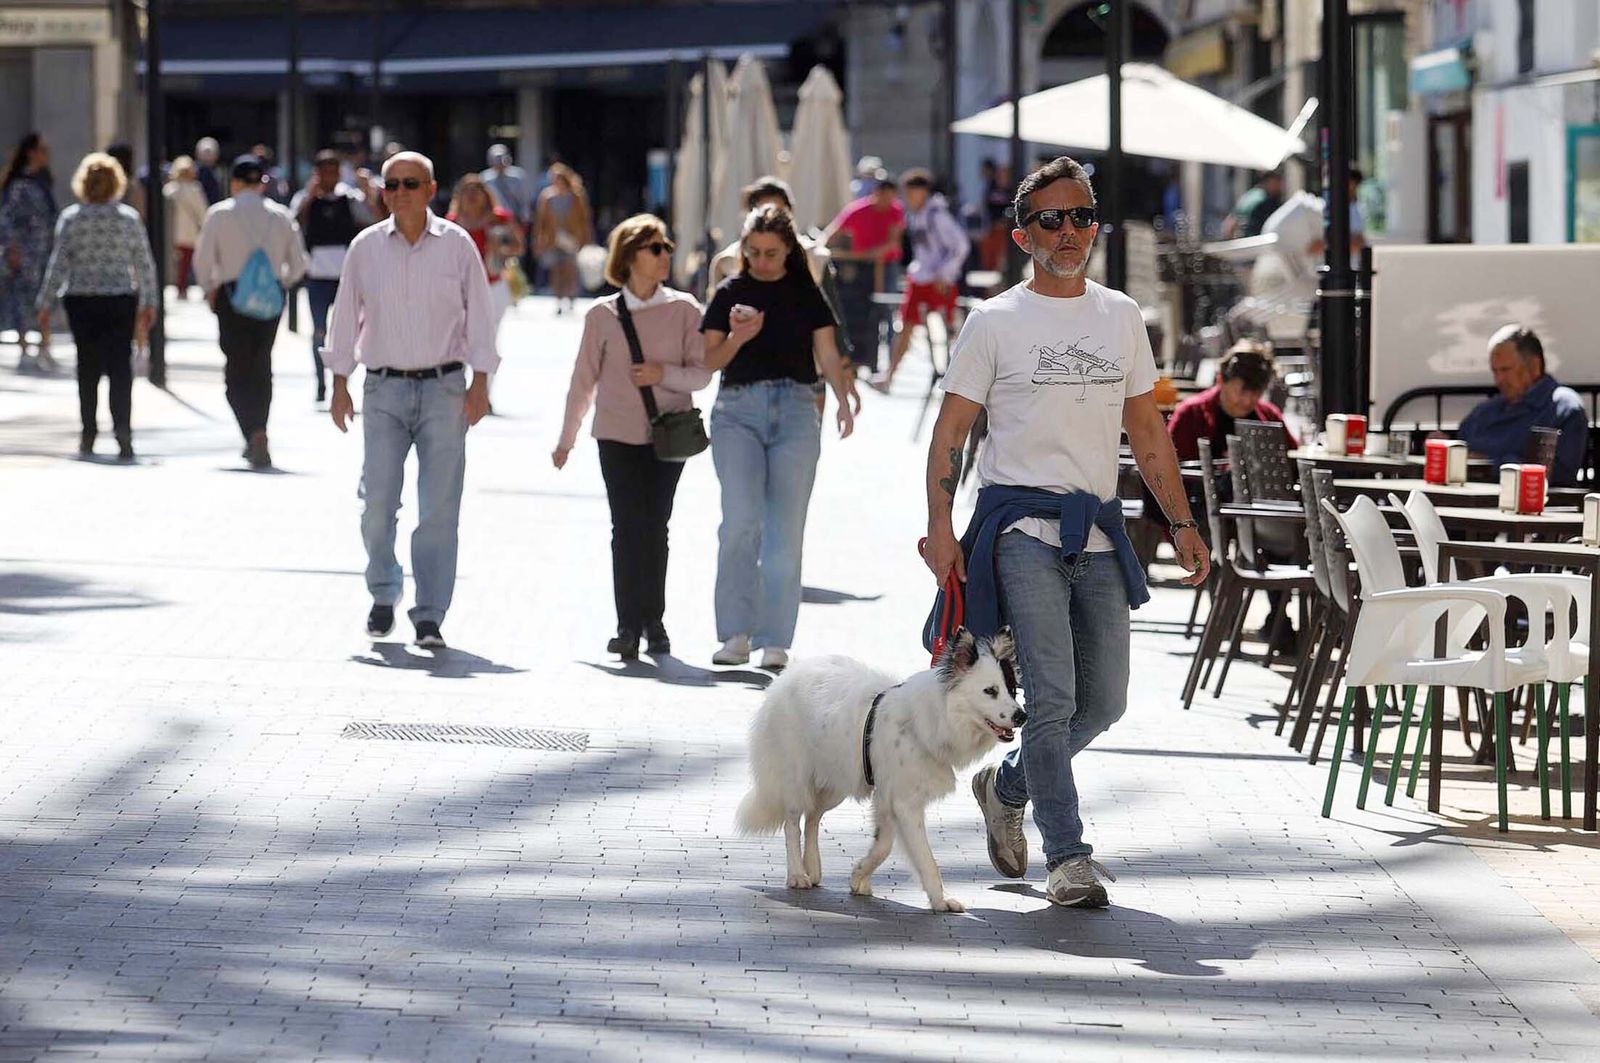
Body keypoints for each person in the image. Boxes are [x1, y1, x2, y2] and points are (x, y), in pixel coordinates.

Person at [922, 156, 1208, 909]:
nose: (1070, 230)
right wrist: (939, 529)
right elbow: (952, 433)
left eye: (1082, 216)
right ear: (1024, 234)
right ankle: (1068, 856)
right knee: (1049, 697)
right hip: (1018, 525)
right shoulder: (994, 322)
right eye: (1052, 219)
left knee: (1103, 700)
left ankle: (1007, 784)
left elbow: (1147, 428)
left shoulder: (1119, 316)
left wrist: (1181, 521)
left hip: (1100, 529)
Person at [324, 151, 497, 650]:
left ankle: (430, 614)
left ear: (430, 189)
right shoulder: (365, 248)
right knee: (377, 504)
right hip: (383, 389)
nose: (400, 193)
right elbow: (344, 316)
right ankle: (383, 591)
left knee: (439, 509)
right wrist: (339, 381)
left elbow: (480, 315)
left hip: (444, 388)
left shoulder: (458, 246)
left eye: (410, 184)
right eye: (392, 185)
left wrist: (481, 381)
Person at [701, 205, 858, 673]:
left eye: (771, 253)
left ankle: (775, 639)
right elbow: (709, 361)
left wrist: (844, 400)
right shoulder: (730, 292)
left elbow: (827, 354)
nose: (762, 261)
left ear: (790, 250)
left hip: (795, 410)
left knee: (785, 534)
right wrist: (738, 337)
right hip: (737, 411)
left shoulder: (806, 294)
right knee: (740, 524)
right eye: (753, 252)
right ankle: (734, 633)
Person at [554, 215, 709, 659]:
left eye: (666, 247)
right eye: (655, 248)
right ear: (630, 257)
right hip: (617, 435)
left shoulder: (684, 310)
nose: (666, 256)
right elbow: (583, 381)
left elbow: (701, 375)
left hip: (670, 435)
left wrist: (664, 374)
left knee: (656, 527)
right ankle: (627, 625)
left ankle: (653, 622)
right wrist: (566, 439)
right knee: (626, 528)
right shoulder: (602, 315)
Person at [34, 152, 157, 461]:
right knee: (119, 367)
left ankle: (88, 432)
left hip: (82, 300)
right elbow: (144, 264)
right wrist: (149, 302)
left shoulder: (72, 218)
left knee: (87, 367)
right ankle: (122, 431)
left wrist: (44, 303)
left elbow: (58, 263)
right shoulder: (127, 219)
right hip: (119, 300)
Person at [192, 153, 308, 468]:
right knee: (262, 366)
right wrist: (280, 283)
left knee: (236, 370)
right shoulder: (281, 216)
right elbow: (299, 264)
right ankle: (260, 429)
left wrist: (209, 288)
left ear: (235, 182)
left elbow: (202, 261)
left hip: (231, 298)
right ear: (262, 183)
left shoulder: (220, 214)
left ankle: (251, 431)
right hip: (270, 300)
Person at [875, 169, 970, 391]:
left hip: (938, 281)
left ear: (923, 191)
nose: (908, 198)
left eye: (912, 192)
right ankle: (890, 376)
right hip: (920, 279)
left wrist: (944, 274)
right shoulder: (916, 215)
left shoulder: (937, 215)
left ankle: (958, 382)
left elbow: (960, 246)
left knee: (951, 332)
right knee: (906, 328)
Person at [1456, 325, 1587, 485]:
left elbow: (1557, 477)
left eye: (1505, 370)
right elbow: (1459, 448)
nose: (1498, 380)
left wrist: (1489, 465)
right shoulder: (1485, 411)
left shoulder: (1563, 409)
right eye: (1495, 371)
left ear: (1534, 366)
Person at [292, 149, 374, 403]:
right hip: (316, 275)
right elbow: (293, 223)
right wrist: (310, 194)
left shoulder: (350, 199)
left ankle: (342, 378)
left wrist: (368, 192)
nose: (329, 177)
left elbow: (372, 220)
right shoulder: (305, 199)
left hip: (345, 276)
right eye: (324, 172)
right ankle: (320, 382)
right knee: (318, 331)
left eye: (333, 171)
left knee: (349, 331)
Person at [447, 173, 524, 412]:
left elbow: (518, 247)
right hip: (459, 289)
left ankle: (484, 393)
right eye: (467, 190)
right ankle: (456, 392)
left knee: (488, 340)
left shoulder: (499, 219)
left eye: (477, 189)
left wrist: (499, 243)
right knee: (456, 340)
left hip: (492, 285)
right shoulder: (450, 223)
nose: (472, 195)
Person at [823, 172, 904, 375]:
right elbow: (832, 233)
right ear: (875, 193)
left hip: (885, 267)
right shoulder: (858, 210)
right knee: (858, 313)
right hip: (861, 270)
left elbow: (894, 241)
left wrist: (873, 253)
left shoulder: (896, 210)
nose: (887, 201)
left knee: (887, 311)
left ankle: (888, 363)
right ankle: (859, 358)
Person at [1166, 340, 1295, 462]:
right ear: (1220, 380)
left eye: (1256, 393)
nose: (1247, 401)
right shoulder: (1191, 414)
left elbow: (1292, 457)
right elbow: (1171, 465)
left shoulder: (1270, 416)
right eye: (1241, 392)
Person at [0, 132, 58, 372]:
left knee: (45, 299)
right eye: (42, 149)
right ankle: (25, 347)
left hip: (44, 250)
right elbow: (7, 219)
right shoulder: (19, 184)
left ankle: (45, 345)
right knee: (23, 299)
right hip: (25, 251)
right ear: (31, 153)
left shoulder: (43, 182)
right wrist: (12, 247)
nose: (47, 154)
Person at [533, 162, 591, 314]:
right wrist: (538, 240)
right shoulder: (547, 196)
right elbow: (540, 220)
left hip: (572, 238)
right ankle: (559, 299)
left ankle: (571, 296)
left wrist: (586, 238)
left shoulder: (576, 195)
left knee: (570, 269)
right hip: (553, 238)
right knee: (556, 270)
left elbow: (585, 218)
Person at [164, 156, 209, 298]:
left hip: (172, 232)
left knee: (178, 263)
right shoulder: (195, 189)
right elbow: (202, 211)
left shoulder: (169, 189)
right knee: (188, 262)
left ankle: (180, 286)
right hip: (190, 232)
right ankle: (184, 287)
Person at [481, 144, 533, 261]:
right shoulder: (485, 178)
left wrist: (525, 221)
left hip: (515, 220)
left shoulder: (518, 176)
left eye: (501, 159)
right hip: (495, 222)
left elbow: (524, 200)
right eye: (496, 160)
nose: (499, 163)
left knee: (516, 253)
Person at [1221, 171, 1284, 240]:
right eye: (1278, 182)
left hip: (1241, 240)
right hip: (1255, 240)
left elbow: (1230, 220)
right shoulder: (1264, 200)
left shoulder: (1249, 194)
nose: (1281, 186)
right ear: (1270, 181)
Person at [195, 137, 224, 206]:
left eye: (210, 153)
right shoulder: (193, 172)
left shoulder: (217, 171)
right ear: (198, 154)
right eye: (205, 153)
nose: (207, 156)